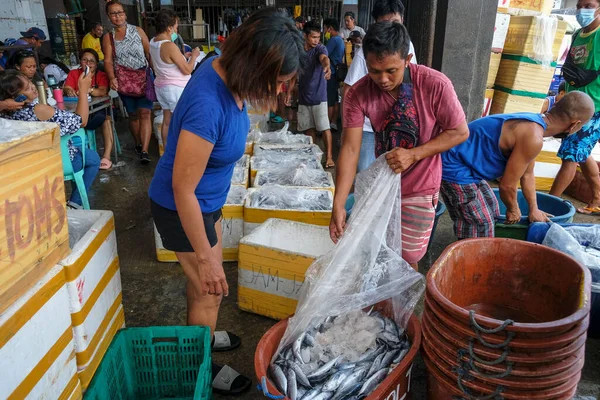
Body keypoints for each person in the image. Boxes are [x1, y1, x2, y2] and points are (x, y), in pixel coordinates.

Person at [148, 8, 304, 394]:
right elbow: (182, 189)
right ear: (255, 66)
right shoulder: (208, 104)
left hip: (207, 203)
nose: (281, 91)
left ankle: (201, 334)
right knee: (209, 288)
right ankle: (200, 366)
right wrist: (204, 258)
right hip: (181, 208)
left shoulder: (225, 68)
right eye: (277, 81)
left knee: (203, 290)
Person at [332, 22, 469, 268]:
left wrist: (414, 155)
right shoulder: (358, 93)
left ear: (407, 59)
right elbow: (351, 149)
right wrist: (339, 203)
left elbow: (459, 132)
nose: (382, 79)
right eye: (374, 71)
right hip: (383, 183)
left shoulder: (434, 85)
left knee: (406, 258)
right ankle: (384, 305)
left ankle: (400, 307)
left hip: (421, 185)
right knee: (378, 251)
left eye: (391, 71)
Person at [442, 92, 595, 239]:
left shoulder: (536, 126)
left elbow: (527, 174)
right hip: (453, 168)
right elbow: (507, 185)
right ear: (575, 125)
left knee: (493, 209)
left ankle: (472, 238)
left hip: (470, 169)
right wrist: (513, 209)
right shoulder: (533, 136)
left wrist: (533, 209)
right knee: (481, 222)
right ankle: (469, 256)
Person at [0, 70, 99, 209]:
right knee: (93, 158)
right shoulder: (39, 110)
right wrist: (83, 91)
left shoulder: (3, 115)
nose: (33, 86)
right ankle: (75, 203)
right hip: (58, 162)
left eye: (30, 82)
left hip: (30, 163)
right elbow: (81, 121)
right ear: (18, 98)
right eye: (27, 88)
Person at [344, 0, 418, 172]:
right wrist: (349, 131)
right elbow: (349, 90)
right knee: (367, 176)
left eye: (395, 23)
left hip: (401, 127)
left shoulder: (408, 47)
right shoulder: (367, 50)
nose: (390, 30)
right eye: (384, 24)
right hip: (370, 130)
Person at [549, 0, 600, 215]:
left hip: (592, 108)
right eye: (579, 5)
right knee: (581, 152)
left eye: (588, 5)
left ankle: (549, 204)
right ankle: (597, 199)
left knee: (570, 156)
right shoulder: (579, 34)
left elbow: (589, 72)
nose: (582, 10)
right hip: (574, 104)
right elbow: (570, 66)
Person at [103, 0, 153, 164]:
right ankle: (138, 143)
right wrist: (112, 77)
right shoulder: (108, 38)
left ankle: (145, 150)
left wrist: (157, 74)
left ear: (125, 13)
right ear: (109, 17)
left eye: (120, 12)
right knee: (132, 115)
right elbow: (109, 61)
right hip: (124, 81)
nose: (118, 16)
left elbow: (149, 54)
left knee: (145, 113)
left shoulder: (138, 31)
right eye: (113, 13)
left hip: (143, 78)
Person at [151, 9, 201, 149]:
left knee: (167, 121)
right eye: (176, 27)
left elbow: (166, 62)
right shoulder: (169, 45)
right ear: (169, 28)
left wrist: (184, 57)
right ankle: (179, 152)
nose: (176, 30)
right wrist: (195, 56)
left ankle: (168, 152)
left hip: (162, 87)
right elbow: (187, 69)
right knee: (181, 121)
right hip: (174, 89)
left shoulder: (153, 42)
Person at [64, 49, 114, 170]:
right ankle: (74, 157)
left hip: (98, 109)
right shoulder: (74, 73)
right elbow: (67, 87)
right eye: (85, 60)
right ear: (80, 62)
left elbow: (102, 91)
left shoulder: (101, 75)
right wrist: (69, 91)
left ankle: (106, 156)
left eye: (91, 61)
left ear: (96, 64)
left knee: (106, 119)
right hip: (78, 111)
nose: (88, 63)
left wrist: (88, 90)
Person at [295, 21, 335, 168]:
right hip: (303, 96)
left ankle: (329, 157)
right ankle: (312, 156)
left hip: (319, 96)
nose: (316, 40)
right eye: (313, 37)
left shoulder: (320, 48)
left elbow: (324, 58)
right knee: (308, 129)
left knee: (324, 128)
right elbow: (295, 72)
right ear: (305, 36)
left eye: (318, 37)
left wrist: (327, 67)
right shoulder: (299, 50)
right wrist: (290, 93)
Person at [324, 18, 344, 131]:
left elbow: (324, 53)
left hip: (331, 73)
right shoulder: (340, 40)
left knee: (330, 100)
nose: (326, 31)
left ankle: (326, 126)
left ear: (330, 28)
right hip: (337, 74)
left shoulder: (333, 40)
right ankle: (334, 122)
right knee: (336, 99)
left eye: (326, 28)